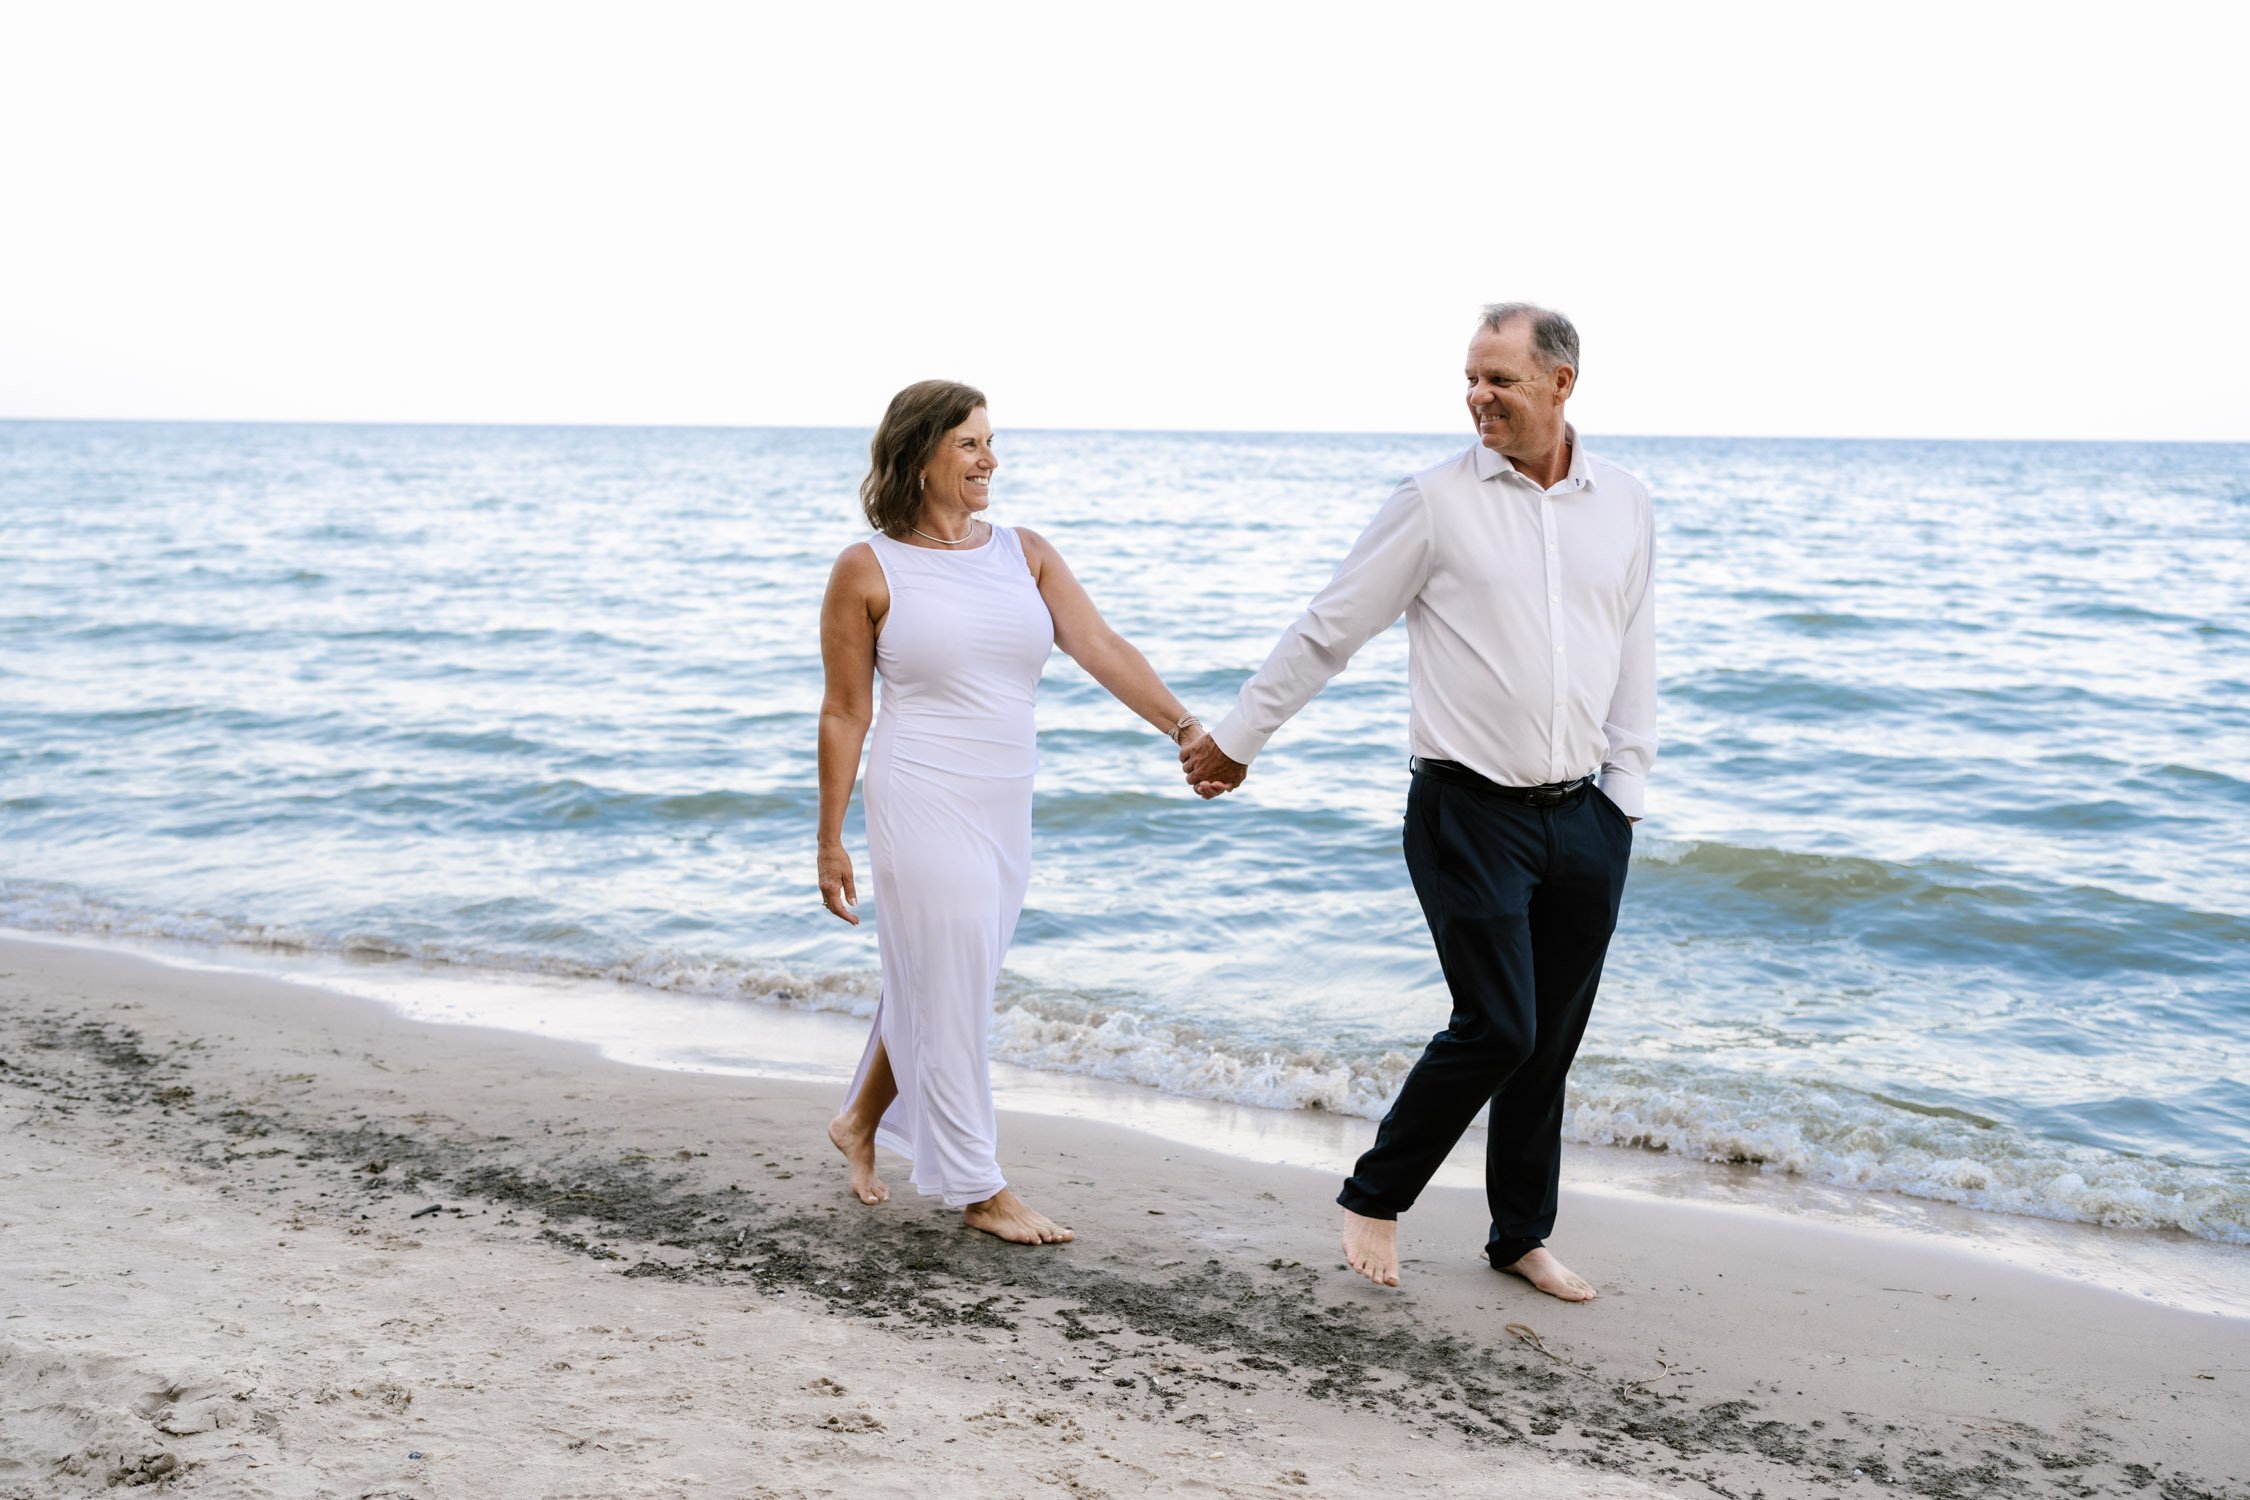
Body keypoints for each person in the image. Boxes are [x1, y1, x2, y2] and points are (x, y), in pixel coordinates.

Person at [1179, 304, 1656, 1301]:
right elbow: (1330, 628)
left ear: (1562, 384)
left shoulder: (1626, 504)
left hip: (1585, 818)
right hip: (1465, 810)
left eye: (1501, 380)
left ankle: (1520, 1235)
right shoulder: (1433, 502)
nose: (1479, 396)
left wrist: (1624, 799)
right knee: (1499, 1023)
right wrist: (1239, 737)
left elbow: (1634, 652)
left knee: (1549, 1045)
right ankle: (1376, 1194)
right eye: (1471, 378)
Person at [817, 379, 1205, 1245]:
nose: (990, 459)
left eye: (991, 442)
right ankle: (977, 1187)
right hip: (918, 792)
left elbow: (1100, 646)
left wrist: (1184, 727)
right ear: (920, 456)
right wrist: (829, 838)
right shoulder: (868, 568)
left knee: (946, 974)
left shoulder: (1023, 553)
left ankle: (857, 1120)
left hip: (1003, 801)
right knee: (949, 978)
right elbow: (846, 711)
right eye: (968, 444)